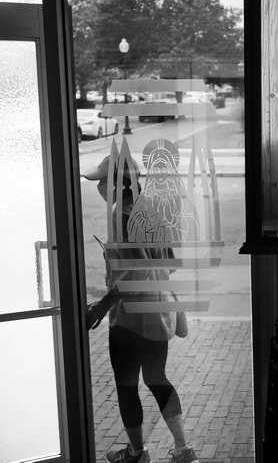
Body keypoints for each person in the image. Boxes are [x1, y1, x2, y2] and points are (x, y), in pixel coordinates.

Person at [83, 155, 198, 463]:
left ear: (119, 185)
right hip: (159, 314)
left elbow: (135, 274)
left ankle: (137, 453)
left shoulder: (121, 217)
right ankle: (183, 449)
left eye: (101, 182)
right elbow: (167, 265)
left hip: (131, 319)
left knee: (126, 385)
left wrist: (102, 305)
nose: (98, 188)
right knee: (157, 378)